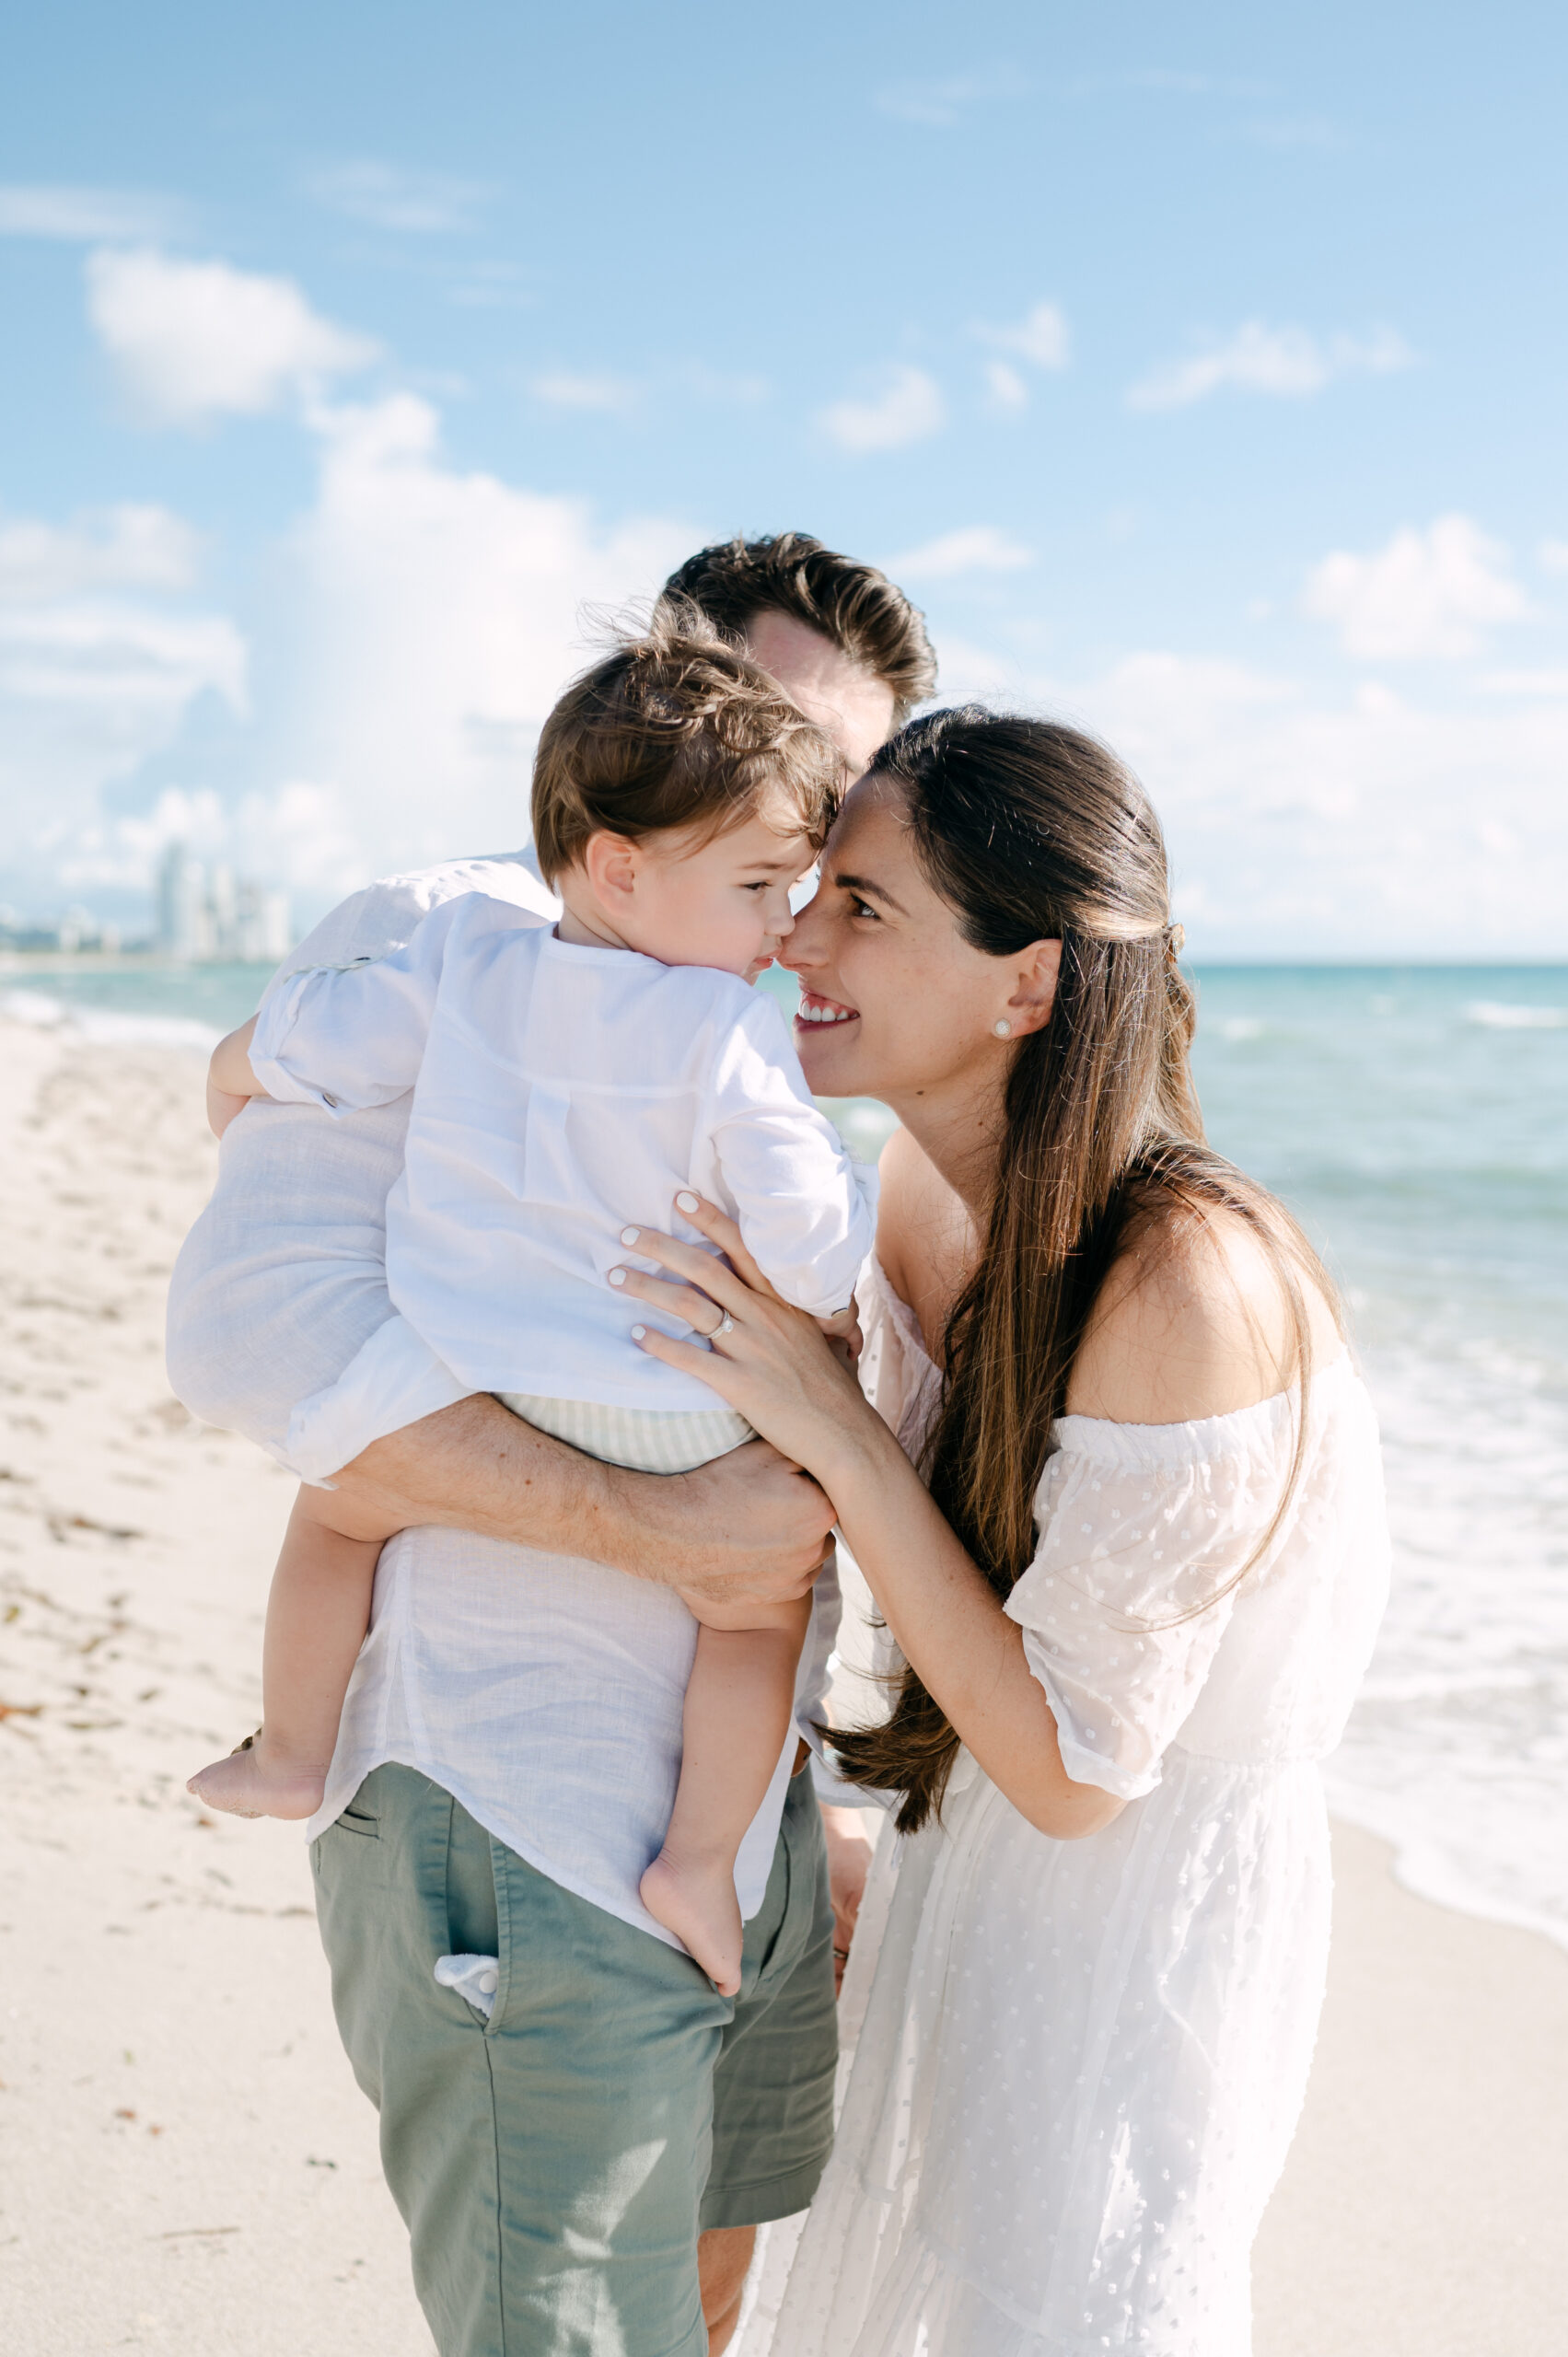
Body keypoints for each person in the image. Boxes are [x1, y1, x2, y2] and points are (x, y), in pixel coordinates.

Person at [164, 533, 934, 2357]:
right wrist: (668, 1530)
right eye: (781, 761)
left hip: (720, 1827)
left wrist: (786, 1804)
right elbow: (256, 1328)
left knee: (705, 2300)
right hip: (515, 1797)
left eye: (845, 809)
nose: (812, 854)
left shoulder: (756, 992)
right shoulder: (445, 934)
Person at [608, 708, 1391, 2356]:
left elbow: (1079, 1770)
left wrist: (828, 1423)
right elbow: (914, 1574)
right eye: (812, 891)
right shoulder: (918, 1184)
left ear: (1025, 985)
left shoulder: (1187, 1281)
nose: (798, 938)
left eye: (865, 909)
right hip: (966, 1872)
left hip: (1138, 1930)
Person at [185, 623, 877, 1997]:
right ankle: (697, 1857)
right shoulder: (730, 1031)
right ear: (625, 864)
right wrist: (858, 1244)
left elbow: (336, 1046)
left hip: (477, 1364)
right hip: (670, 1402)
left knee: (335, 1515)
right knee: (751, 1619)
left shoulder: (461, 958)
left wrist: (245, 1068)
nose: (784, 930)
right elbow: (804, 1244)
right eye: (761, 887)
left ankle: (288, 1750)